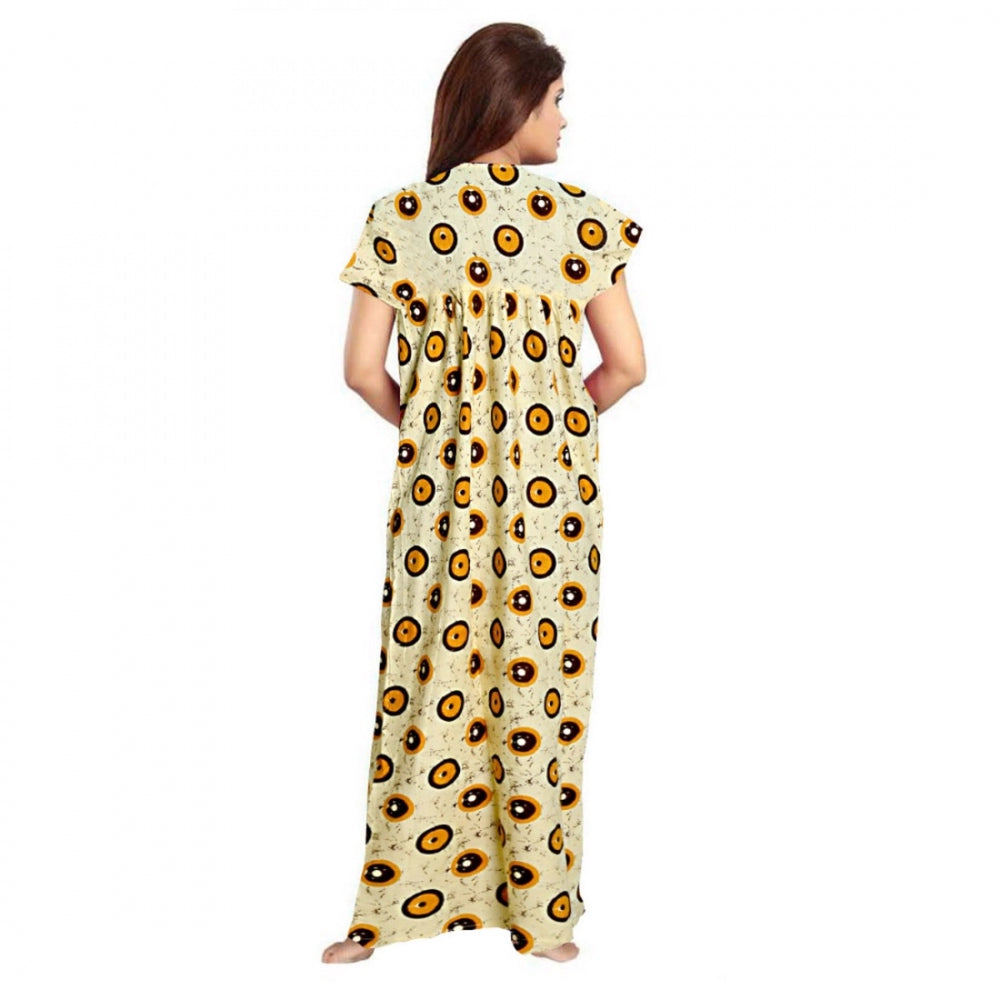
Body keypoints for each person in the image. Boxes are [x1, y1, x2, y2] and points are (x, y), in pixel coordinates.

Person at [322, 22, 646, 965]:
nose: (565, 119)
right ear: (515, 102)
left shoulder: (399, 217)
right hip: (555, 497)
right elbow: (628, 366)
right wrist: (557, 424)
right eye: (556, 100)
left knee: (427, 675)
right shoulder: (583, 222)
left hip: (438, 492)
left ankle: (387, 912)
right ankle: (543, 922)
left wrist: (437, 431)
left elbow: (360, 371)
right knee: (542, 685)